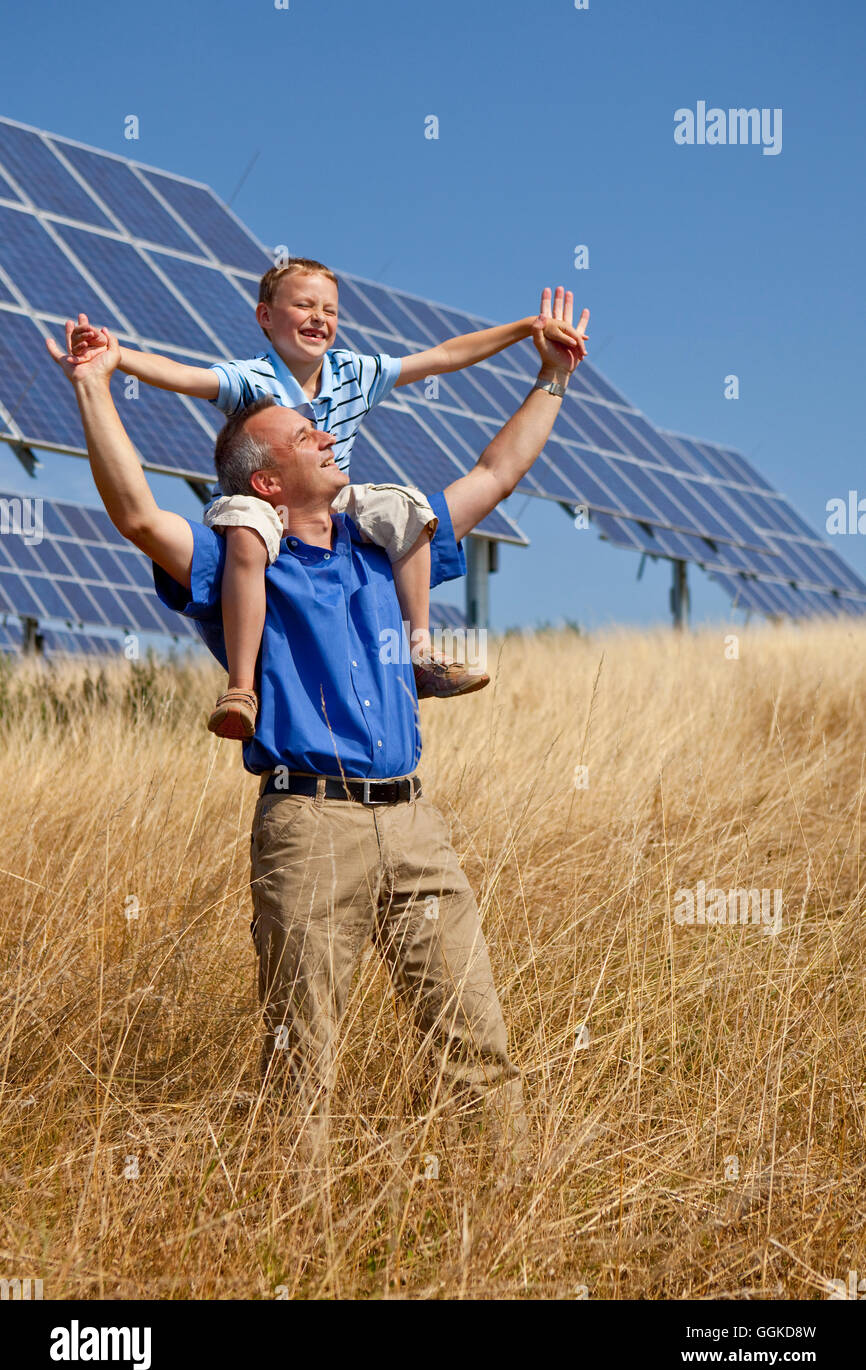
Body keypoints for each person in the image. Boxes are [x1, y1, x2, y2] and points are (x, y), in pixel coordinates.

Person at [46, 286, 589, 1163]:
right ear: (267, 479)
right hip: (309, 824)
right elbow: (138, 515)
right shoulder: (238, 564)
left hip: (416, 824)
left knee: (477, 1051)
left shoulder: (388, 548)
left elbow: (496, 476)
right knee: (304, 1068)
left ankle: (516, 1228)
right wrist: (95, 384)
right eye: (307, 436)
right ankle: (297, 1245)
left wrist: (551, 380)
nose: (328, 434)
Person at [66, 258, 571, 737]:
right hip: (260, 509)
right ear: (265, 316)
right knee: (244, 528)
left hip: (335, 508)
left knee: (406, 506)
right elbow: (183, 378)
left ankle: (418, 652)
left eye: (330, 310)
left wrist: (525, 333)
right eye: (304, 306)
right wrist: (115, 358)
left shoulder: (355, 372)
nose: (319, 318)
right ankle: (241, 688)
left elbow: (443, 360)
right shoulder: (251, 380)